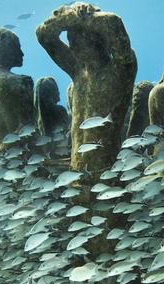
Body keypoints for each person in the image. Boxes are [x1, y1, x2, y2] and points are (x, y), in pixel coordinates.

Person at [37, 2, 137, 172]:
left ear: (101, 40)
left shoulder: (120, 69)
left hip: (107, 175)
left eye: (78, 39)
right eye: (71, 39)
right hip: (76, 174)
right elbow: (43, 35)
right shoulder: (78, 73)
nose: (73, 46)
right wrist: (68, 16)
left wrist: (88, 17)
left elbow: (113, 23)